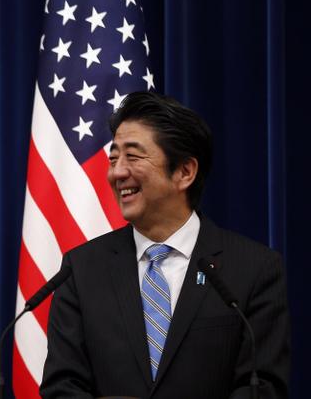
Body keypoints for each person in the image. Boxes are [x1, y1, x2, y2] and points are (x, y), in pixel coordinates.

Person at [40, 91, 289, 399]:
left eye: (132, 156)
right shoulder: (81, 269)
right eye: (114, 158)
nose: (117, 172)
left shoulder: (254, 269)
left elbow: (262, 388)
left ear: (184, 172)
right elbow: (62, 387)